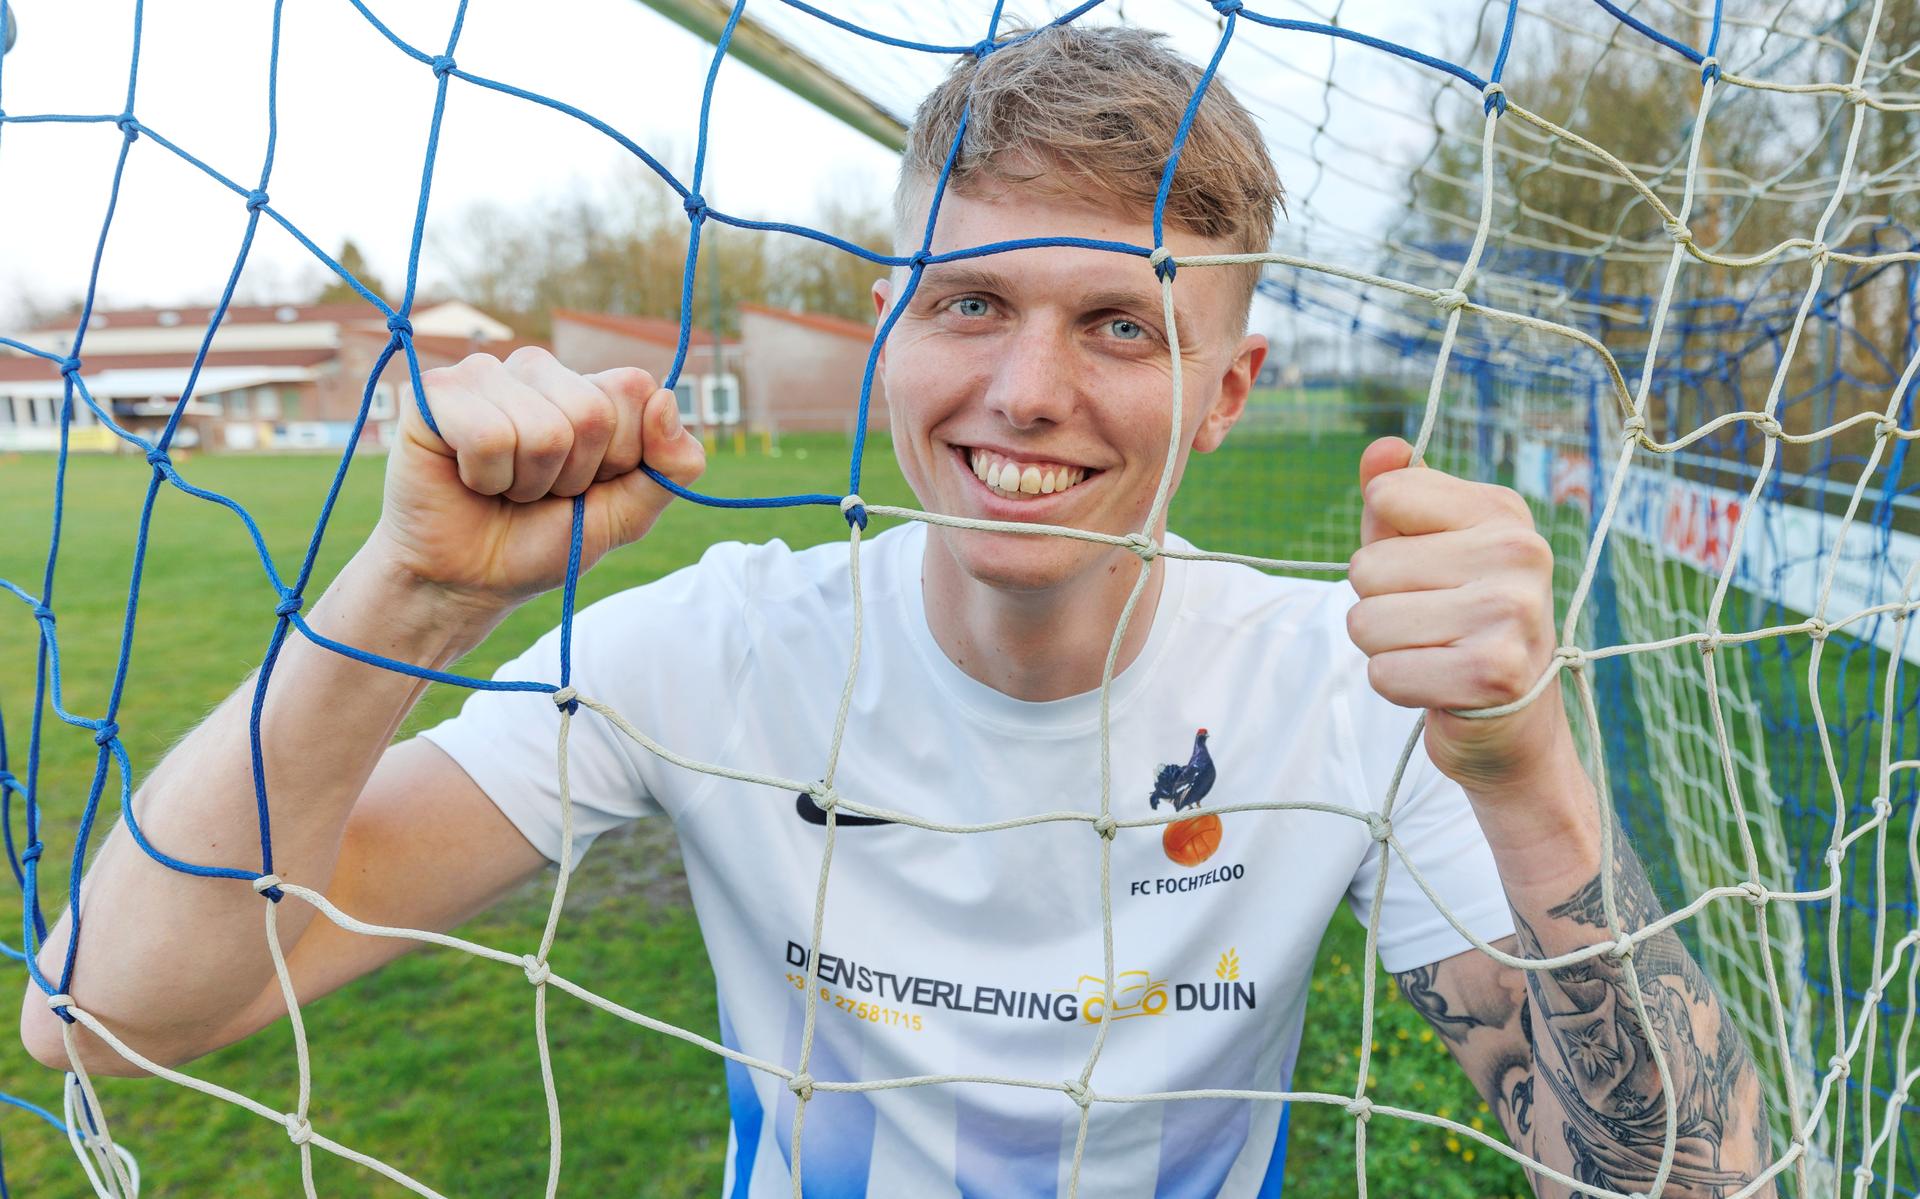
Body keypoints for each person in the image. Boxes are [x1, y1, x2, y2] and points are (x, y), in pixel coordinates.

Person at [22, 23, 1770, 1199]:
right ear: (887, 331)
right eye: (969, 304)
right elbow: (105, 1014)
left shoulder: (1345, 692)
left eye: (1118, 327)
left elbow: (1692, 1185)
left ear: (1227, 392)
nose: (1025, 392)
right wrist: (402, 596)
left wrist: (1529, 778)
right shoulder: (707, 646)